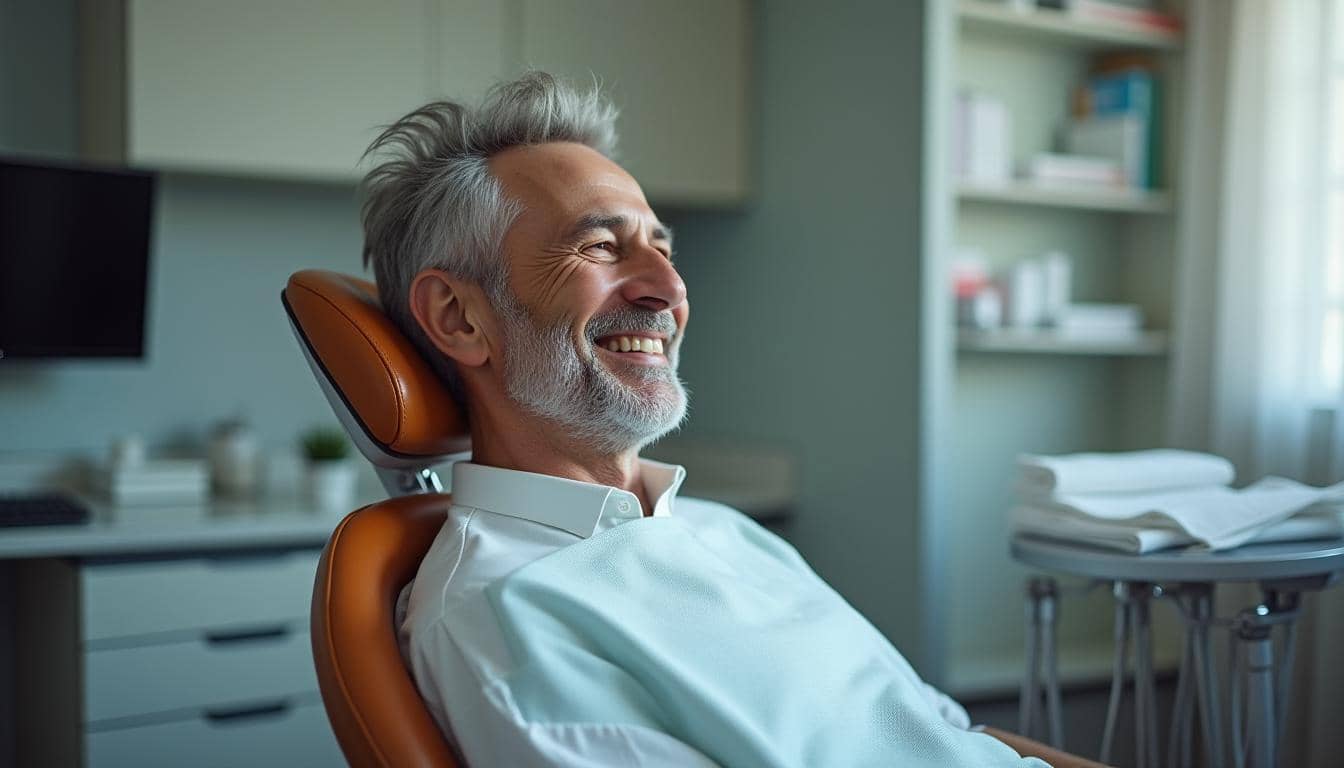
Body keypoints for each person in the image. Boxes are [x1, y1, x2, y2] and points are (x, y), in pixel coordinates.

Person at [364, 72, 1077, 767]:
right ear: (460, 318)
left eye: (662, 249)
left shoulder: (723, 532)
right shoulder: (502, 618)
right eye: (603, 247)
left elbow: (945, 732)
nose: (670, 289)